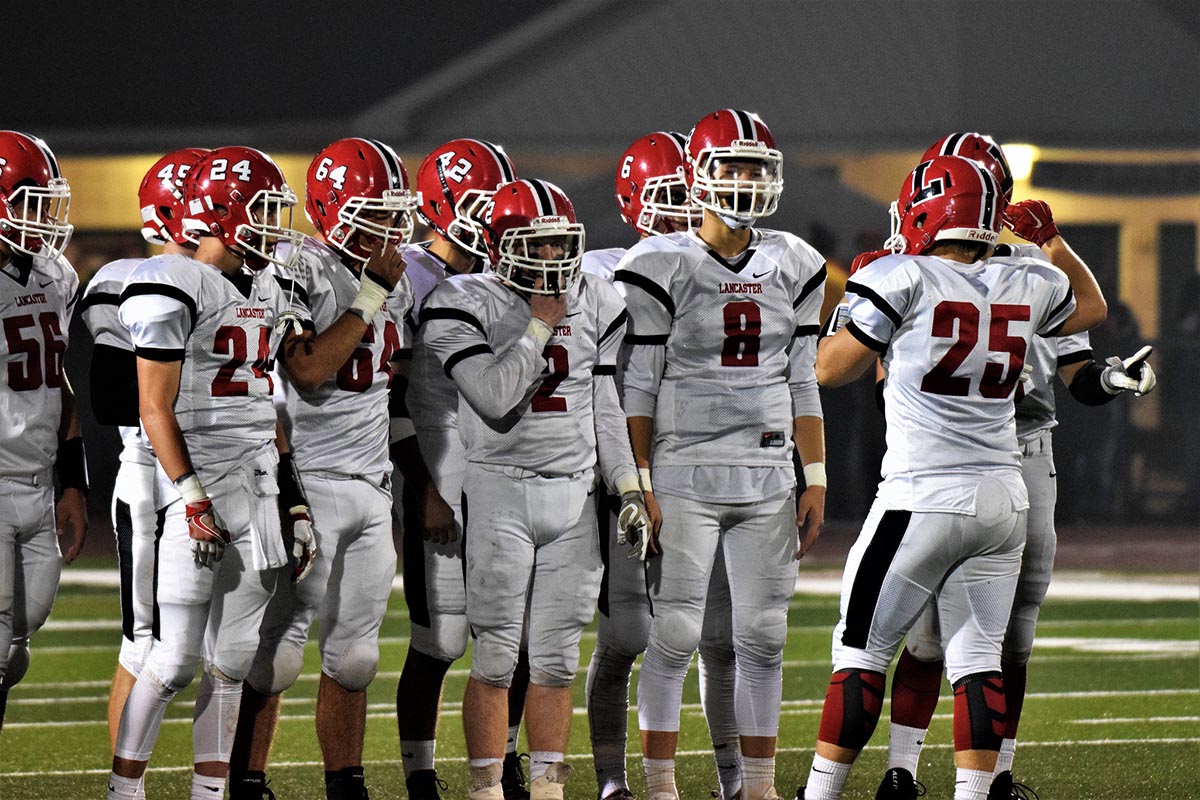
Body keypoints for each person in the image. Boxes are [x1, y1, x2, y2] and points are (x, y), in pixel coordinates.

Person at [796, 153, 1107, 800]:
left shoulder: (900, 274)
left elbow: (831, 369)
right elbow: (1090, 306)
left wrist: (847, 314)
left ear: (928, 209)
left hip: (922, 494)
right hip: (1003, 498)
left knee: (860, 656)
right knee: (978, 666)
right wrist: (1051, 243)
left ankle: (818, 794)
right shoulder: (1030, 279)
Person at [873, 134, 1157, 800]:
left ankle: (996, 775)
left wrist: (1113, 378)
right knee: (927, 632)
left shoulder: (1031, 264)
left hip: (1027, 446)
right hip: (946, 453)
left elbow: (1078, 370)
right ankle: (901, 770)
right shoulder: (910, 261)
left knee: (1016, 629)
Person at [616, 108, 828, 800]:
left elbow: (803, 377)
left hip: (767, 468)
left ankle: (758, 787)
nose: (745, 180)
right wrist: (639, 479)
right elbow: (639, 385)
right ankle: (660, 785)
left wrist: (815, 474)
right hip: (683, 469)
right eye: (731, 166)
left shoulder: (794, 260)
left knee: (764, 637)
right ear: (697, 175)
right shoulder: (659, 262)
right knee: (675, 634)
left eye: (757, 167)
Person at [419, 178, 648, 800]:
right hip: (500, 489)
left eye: (558, 245)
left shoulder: (596, 297)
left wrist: (626, 486)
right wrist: (538, 329)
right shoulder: (463, 300)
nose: (551, 259)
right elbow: (492, 399)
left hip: (573, 494)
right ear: (499, 245)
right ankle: (486, 790)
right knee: (495, 657)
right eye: (535, 245)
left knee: (555, 659)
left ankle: (547, 790)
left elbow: (604, 400)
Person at [108, 146, 323, 800]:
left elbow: (268, 410)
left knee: (231, 660)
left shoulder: (267, 285)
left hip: (256, 481)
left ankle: (210, 795)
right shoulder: (170, 279)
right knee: (170, 660)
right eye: (262, 211)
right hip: (189, 488)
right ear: (221, 212)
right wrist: (191, 495)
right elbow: (152, 407)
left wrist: (294, 504)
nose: (275, 226)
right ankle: (124, 792)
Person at [226, 137, 414, 800]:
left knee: (358, 656)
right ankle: (245, 779)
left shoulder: (395, 278)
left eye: (394, 213)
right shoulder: (294, 266)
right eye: (372, 213)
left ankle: (346, 784)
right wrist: (367, 298)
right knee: (275, 651)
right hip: (307, 482)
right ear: (333, 209)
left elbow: (400, 382)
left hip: (372, 484)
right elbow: (307, 371)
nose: (388, 229)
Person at [584, 130, 743, 800]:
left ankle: (736, 778)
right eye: (668, 196)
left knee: (719, 635)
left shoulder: (730, 264)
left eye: (690, 195)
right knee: (627, 632)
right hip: (630, 465)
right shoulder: (598, 268)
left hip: (705, 462)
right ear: (633, 201)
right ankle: (613, 781)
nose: (683, 210)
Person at [392, 138, 535, 800]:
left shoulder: (502, 270)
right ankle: (421, 774)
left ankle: (503, 760)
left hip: (501, 465)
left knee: (516, 630)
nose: (494, 219)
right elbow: (394, 394)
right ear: (439, 204)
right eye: (479, 204)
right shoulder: (408, 275)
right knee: (440, 638)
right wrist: (420, 486)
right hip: (439, 462)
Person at [80, 146, 208, 757]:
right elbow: (113, 399)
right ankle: (125, 788)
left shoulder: (238, 281)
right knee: (144, 644)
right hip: (152, 477)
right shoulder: (126, 281)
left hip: (220, 472)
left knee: (228, 648)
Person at [0, 130, 87, 733]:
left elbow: (57, 381)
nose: (42, 218)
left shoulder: (53, 273)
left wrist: (72, 481)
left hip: (35, 480)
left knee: (14, 654)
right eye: (29, 201)